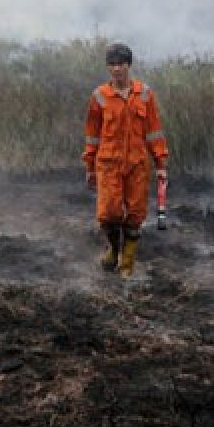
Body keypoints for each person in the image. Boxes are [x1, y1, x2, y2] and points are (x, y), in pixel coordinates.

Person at [83, 43, 169, 278]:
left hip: (137, 163)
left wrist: (161, 163)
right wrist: (89, 166)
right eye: (112, 64)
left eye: (121, 64)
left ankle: (127, 263)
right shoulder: (99, 97)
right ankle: (113, 250)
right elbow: (92, 134)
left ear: (129, 65)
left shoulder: (144, 94)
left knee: (135, 214)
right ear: (107, 68)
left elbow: (154, 131)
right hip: (108, 163)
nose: (117, 69)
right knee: (108, 213)